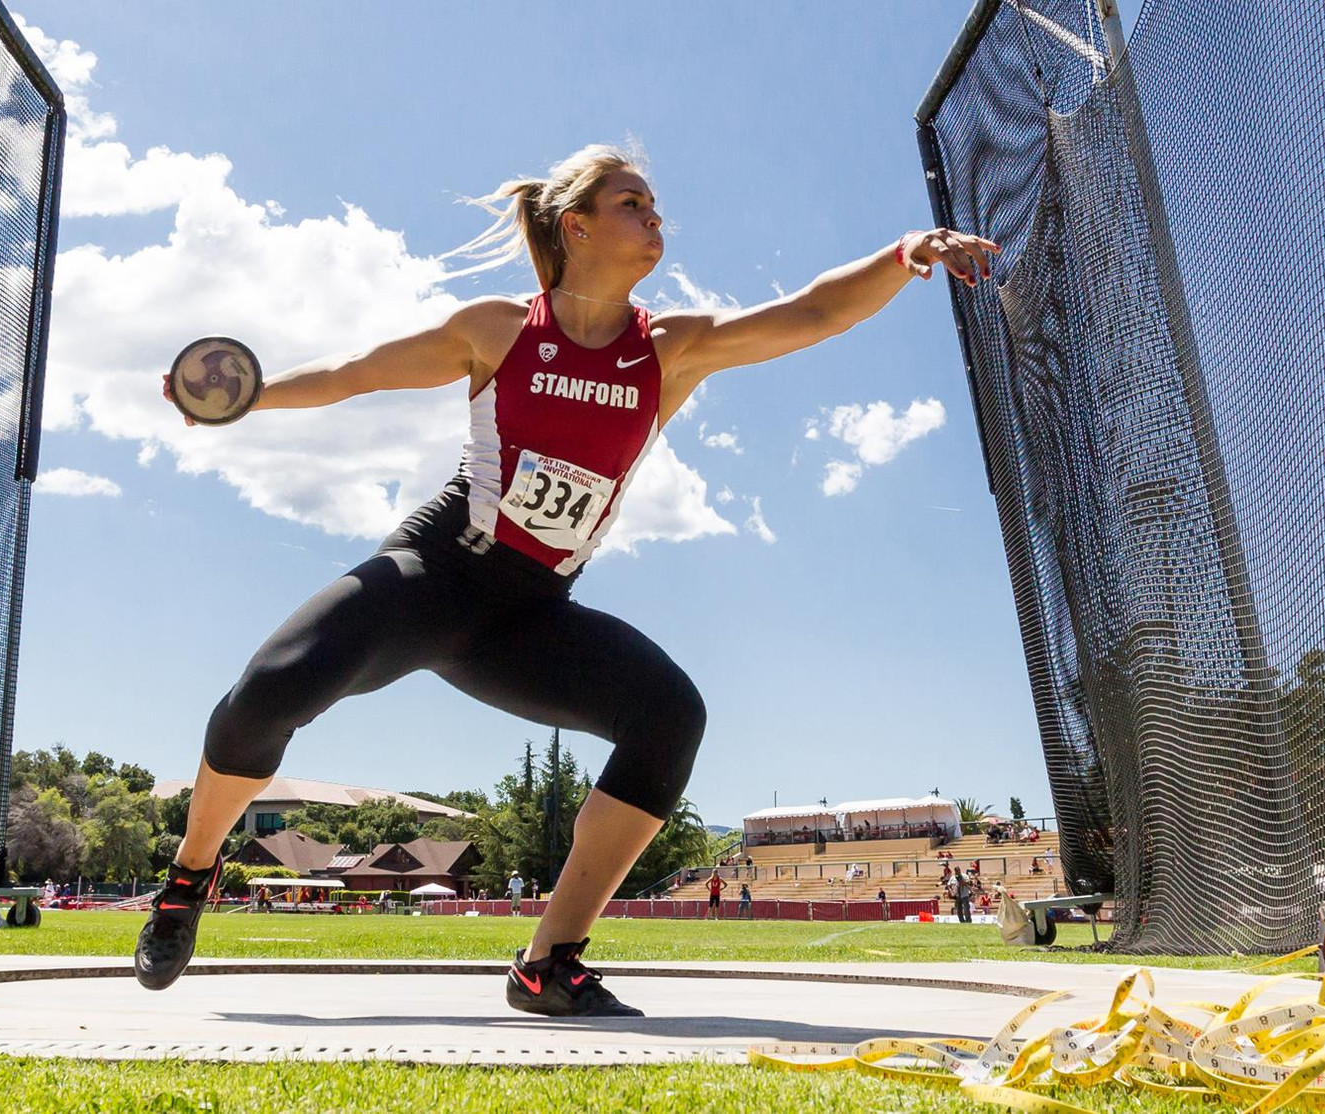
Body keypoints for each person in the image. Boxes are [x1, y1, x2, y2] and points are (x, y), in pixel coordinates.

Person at [130, 143, 998, 1018]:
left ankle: (549, 963)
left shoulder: (672, 348)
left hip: (529, 613)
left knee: (670, 716)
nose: (655, 216)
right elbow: (358, 375)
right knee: (271, 689)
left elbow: (812, 314)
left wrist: (907, 252)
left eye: (656, 204)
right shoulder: (501, 329)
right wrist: (241, 393)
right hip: (436, 571)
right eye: (633, 203)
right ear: (575, 226)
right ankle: (190, 875)